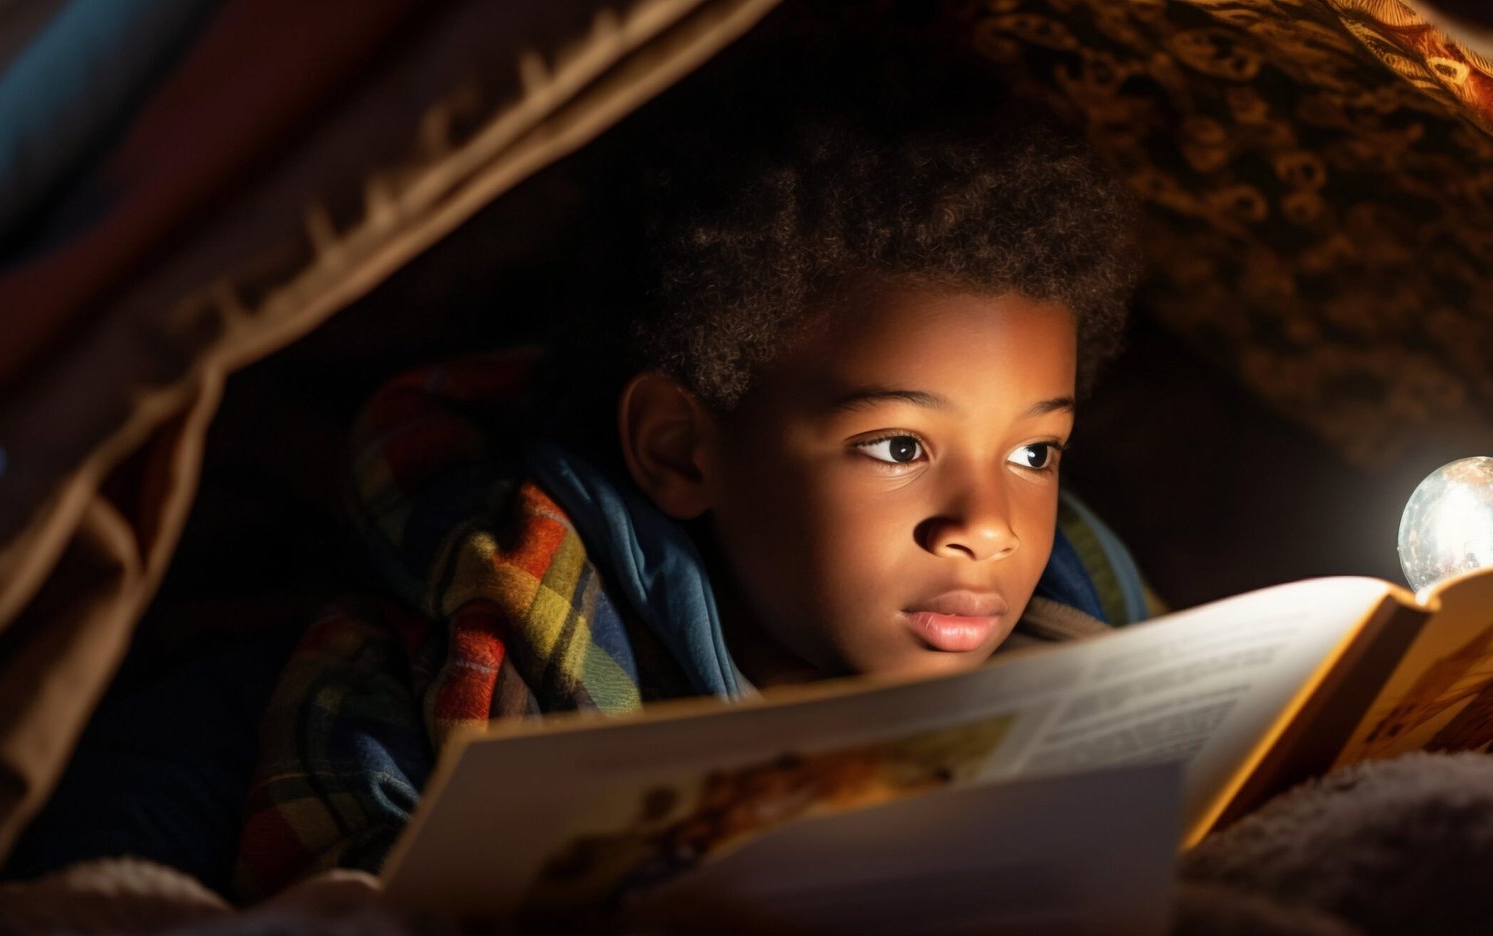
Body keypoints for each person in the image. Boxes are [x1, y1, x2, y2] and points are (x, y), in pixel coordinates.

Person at [231, 107, 1151, 900]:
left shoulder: (1087, 594)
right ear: (679, 447)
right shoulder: (425, 687)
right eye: (899, 447)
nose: (988, 526)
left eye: (1034, 451)